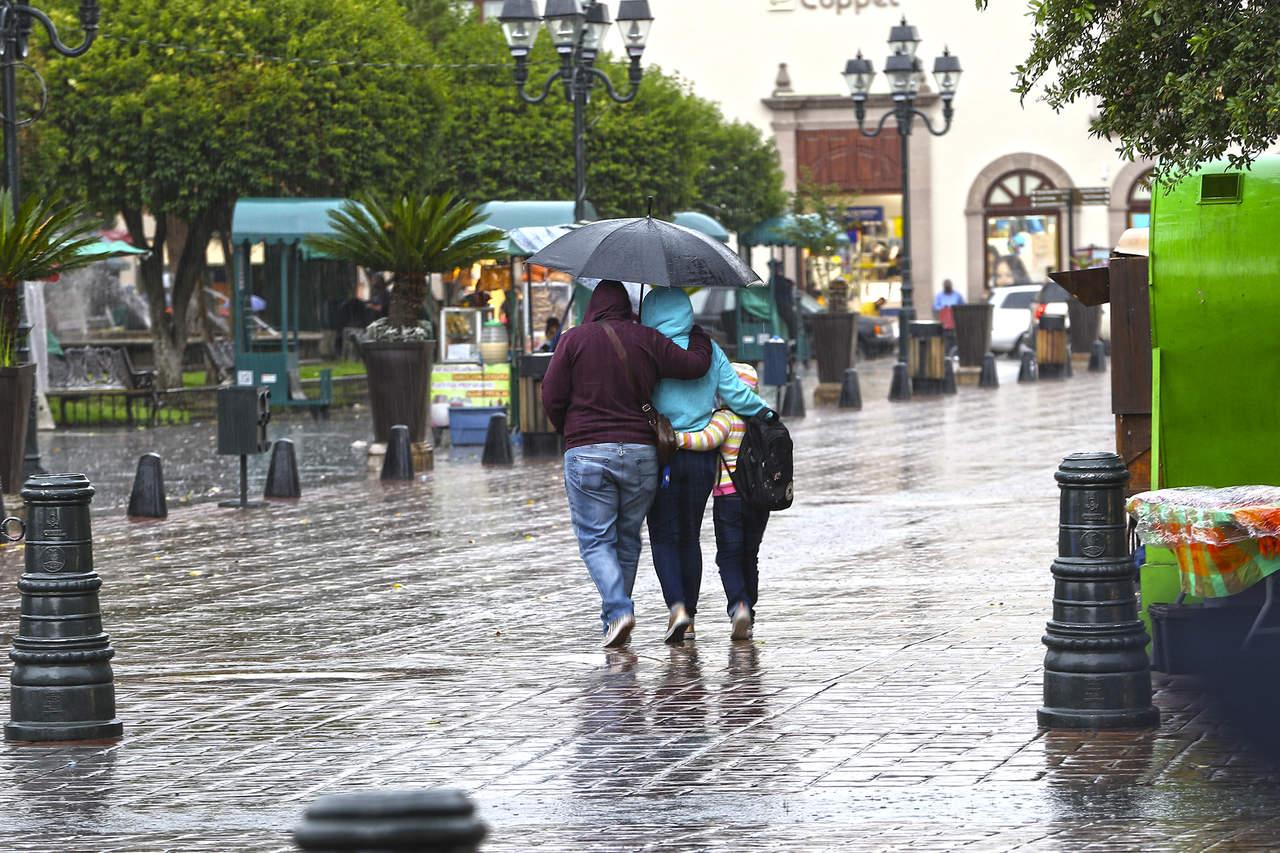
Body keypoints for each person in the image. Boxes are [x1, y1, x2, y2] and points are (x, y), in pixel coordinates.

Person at [541, 281, 713, 649]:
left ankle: (619, 610)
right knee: (627, 538)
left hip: (587, 452)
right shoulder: (647, 337)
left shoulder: (573, 339)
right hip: (640, 454)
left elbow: (551, 394)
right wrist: (696, 333)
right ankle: (615, 617)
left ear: (592, 305)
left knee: (595, 539)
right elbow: (695, 365)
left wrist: (569, 431)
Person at [641, 287, 768, 644]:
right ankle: (691, 617)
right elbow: (736, 395)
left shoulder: (646, 349)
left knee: (664, 535)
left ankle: (677, 608)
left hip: (661, 453)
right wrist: (767, 413)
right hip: (702, 454)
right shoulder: (707, 350)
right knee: (689, 536)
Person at [675, 362, 769, 641]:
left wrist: (677, 438)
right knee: (749, 556)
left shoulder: (726, 419)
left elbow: (706, 440)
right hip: (760, 501)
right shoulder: (764, 417)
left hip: (729, 499)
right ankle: (748, 611)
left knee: (728, 555)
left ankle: (738, 605)